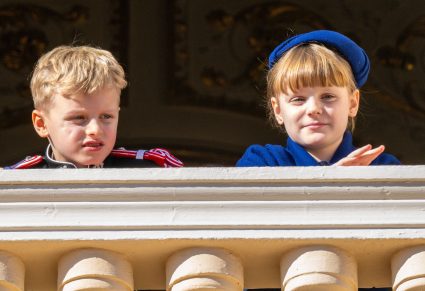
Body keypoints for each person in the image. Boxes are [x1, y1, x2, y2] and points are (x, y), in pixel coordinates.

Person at [237, 30, 400, 167]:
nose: (314, 109)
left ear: (352, 103)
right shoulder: (262, 161)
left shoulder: (381, 166)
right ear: (278, 109)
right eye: (298, 99)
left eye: (328, 96)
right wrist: (329, 182)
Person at [5, 45, 183, 169]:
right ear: (41, 124)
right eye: (79, 118)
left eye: (106, 116)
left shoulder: (156, 168)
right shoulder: (13, 182)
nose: (95, 130)